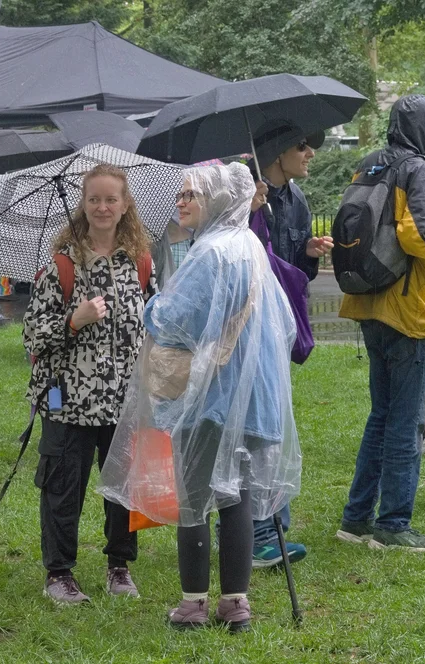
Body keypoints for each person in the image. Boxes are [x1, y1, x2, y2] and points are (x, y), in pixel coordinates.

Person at [98, 162, 301, 632]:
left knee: (194, 494)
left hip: (209, 394)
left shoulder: (211, 253)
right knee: (237, 495)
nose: (182, 201)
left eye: (193, 194)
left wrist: (153, 304)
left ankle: (193, 605)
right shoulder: (249, 244)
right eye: (182, 193)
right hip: (251, 395)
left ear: (218, 200)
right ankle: (236, 604)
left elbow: (172, 319)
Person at [336, 95, 425, 551]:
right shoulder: (417, 168)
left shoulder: (371, 162)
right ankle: (394, 524)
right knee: (407, 422)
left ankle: (356, 519)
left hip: (370, 303)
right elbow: (424, 240)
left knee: (381, 415)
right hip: (409, 311)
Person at [23, 164, 155, 605]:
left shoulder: (139, 262)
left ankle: (119, 567)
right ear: (83, 204)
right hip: (68, 401)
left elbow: (152, 323)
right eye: (94, 199)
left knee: (121, 489)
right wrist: (73, 321)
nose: (102, 207)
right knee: (64, 488)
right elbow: (33, 336)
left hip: (122, 401)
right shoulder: (61, 264)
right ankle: (59, 573)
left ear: (125, 205)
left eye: (110, 199)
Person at [239, 122, 331, 568]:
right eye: (303, 145)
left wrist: (308, 256)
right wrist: (248, 210)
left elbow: (293, 272)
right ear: (276, 152)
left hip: (279, 325)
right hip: (243, 328)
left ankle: (273, 528)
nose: (310, 152)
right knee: (254, 427)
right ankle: (253, 533)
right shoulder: (242, 191)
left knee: (272, 425)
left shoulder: (295, 200)